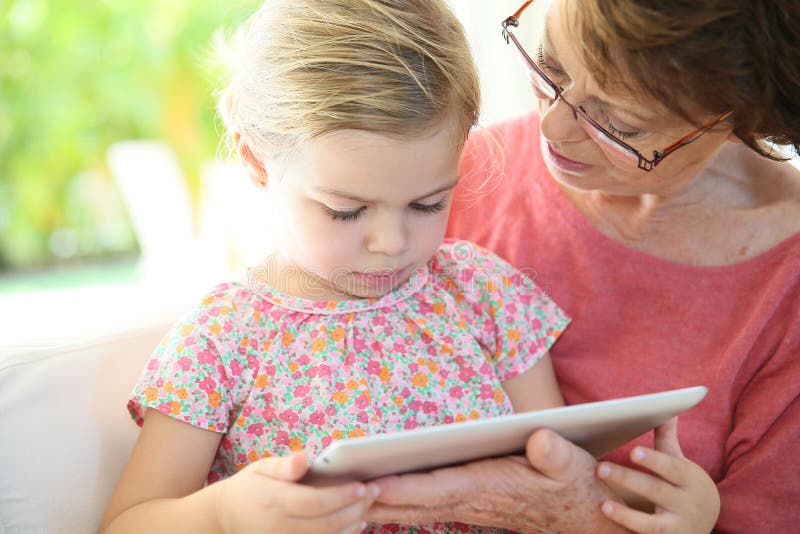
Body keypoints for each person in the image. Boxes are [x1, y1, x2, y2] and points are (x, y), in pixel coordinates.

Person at [99, 1, 570, 533]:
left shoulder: (481, 291)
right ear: (256, 160)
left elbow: (557, 473)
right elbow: (127, 524)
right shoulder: (222, 342)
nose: (392, 243)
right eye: (346, 210)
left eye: (429, 204)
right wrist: (224, 515)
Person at [365, 0, 800, 532]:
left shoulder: (786, 291)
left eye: (617, 123)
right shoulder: (445, 177)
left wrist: (590, 519)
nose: (553, 125)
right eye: (550, 66)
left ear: (743, 118)